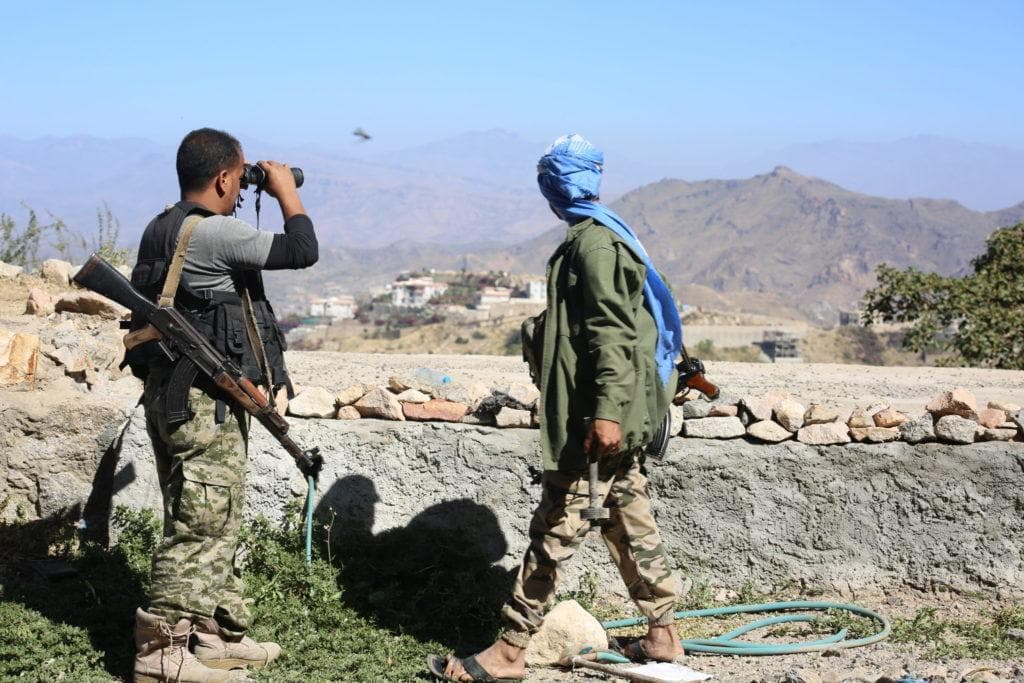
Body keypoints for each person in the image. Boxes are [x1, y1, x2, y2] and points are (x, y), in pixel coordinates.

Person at [429, 133, 686, 682]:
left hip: (596, 418)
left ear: (554, 185)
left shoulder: (594, 246)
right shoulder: (599, 234)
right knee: (628, 519)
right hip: (605, 411)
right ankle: (663, 634)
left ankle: (510, 651)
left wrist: (608, 415)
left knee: (555, 530)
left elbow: (612, 336)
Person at [127, 128, 318, 682]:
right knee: (201, 522)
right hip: (202, 404)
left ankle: (213, 636)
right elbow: (302, 249)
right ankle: (161, 655)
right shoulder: (213, 234)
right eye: (241, 179)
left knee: (214, 514)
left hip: (172, 396)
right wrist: (285, 190)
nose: (241, 189)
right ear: (225, 178)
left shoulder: (160, 227)